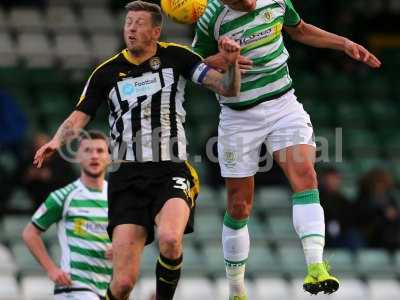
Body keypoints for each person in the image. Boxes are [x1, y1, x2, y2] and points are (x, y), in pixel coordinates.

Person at [33, 1, 241, 300]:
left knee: (170, 238)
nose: (131, 28)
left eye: (139, 23)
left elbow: (227, 88)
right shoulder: (106, 73)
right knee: (123, 284)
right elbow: (80, 115)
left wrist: (232, 63)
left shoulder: (178, 57)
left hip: (171, 169)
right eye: (128, 22)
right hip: (127, 177)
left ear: (156, 31)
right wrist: (56, 141)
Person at [192, 0, 381, 298]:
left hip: (283, 105)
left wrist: (343, 43)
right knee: (239, 205)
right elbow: (194, 63)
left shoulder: (276, 1)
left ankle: (316, 267)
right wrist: (223, 59)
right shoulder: (211, 17)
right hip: (238, 117)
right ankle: (236, 288)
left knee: (305, 175)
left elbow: (300, 30)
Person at [22, 132, 112, 300]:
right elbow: (29, 233)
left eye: (100, 151)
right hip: (74, 287)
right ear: (78, 156)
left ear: (108, 157)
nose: (94, 156)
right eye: (88, 151)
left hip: (108, 287)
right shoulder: (64, 196)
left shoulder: (117, 197)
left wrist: (120, 248)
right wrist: (51, 269)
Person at [355, 168, 400, 251]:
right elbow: (362, 218)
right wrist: (383, 214)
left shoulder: (390, 199)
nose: (380, 186)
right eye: (378, 183)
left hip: (389, 230)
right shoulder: (363, 199)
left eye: (382, 183)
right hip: (371, 233)